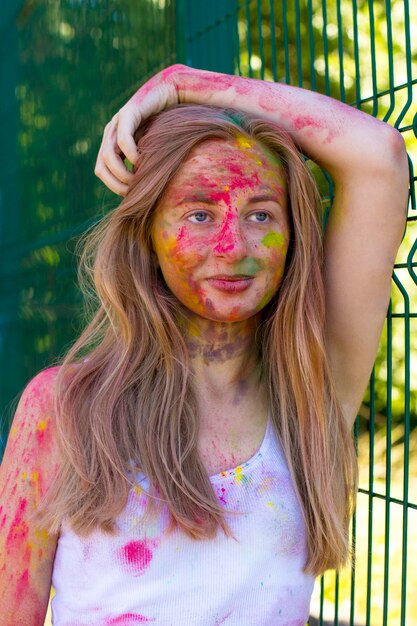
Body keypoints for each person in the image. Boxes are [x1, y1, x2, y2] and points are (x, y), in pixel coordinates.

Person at [0, 64, 409, 625]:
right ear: (147, 234)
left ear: (291, 235)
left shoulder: (313, 392)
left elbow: (379, 156)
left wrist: (186, 82)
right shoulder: (63, 410)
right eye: (199, 213)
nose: (232, 245)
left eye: (260, 213)